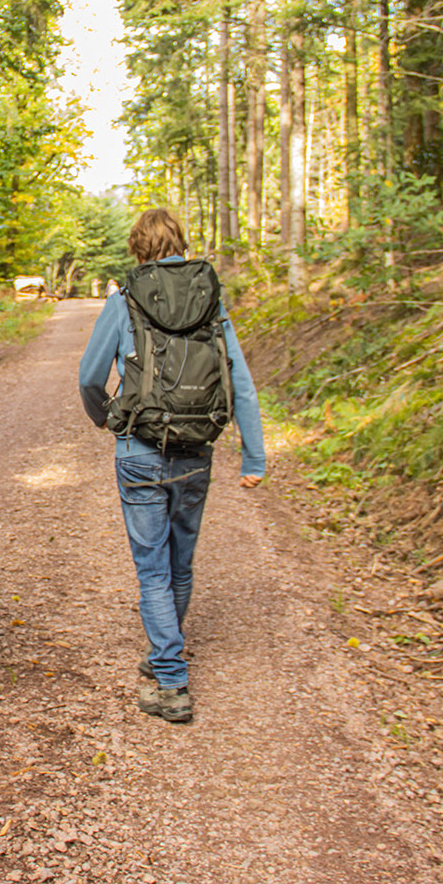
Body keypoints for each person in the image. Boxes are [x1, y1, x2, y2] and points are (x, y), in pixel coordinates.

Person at [76, 208, 265, 724]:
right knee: (180, 564)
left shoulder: (124, 300)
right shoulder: (211, 300)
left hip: (139, 450)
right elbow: (240, 382)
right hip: (196, 450)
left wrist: (104, 417)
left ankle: (171, 680)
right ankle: (165, 649)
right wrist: (254, 455)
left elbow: (89, 376)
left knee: (153, 569)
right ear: (180, 242)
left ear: (138, 247)